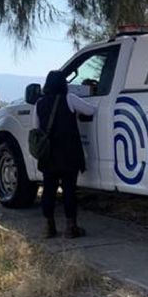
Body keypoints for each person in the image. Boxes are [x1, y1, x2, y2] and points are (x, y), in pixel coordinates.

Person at [33, 70, 96, 239]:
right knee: (69, 190)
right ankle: (71, 227)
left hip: (48, 156)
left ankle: (49, 227)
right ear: (63, 83)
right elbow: (90, 111)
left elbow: (37, 127)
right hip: (68, 154)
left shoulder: (39, 103)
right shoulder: (69, 98)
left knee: (48, 190)